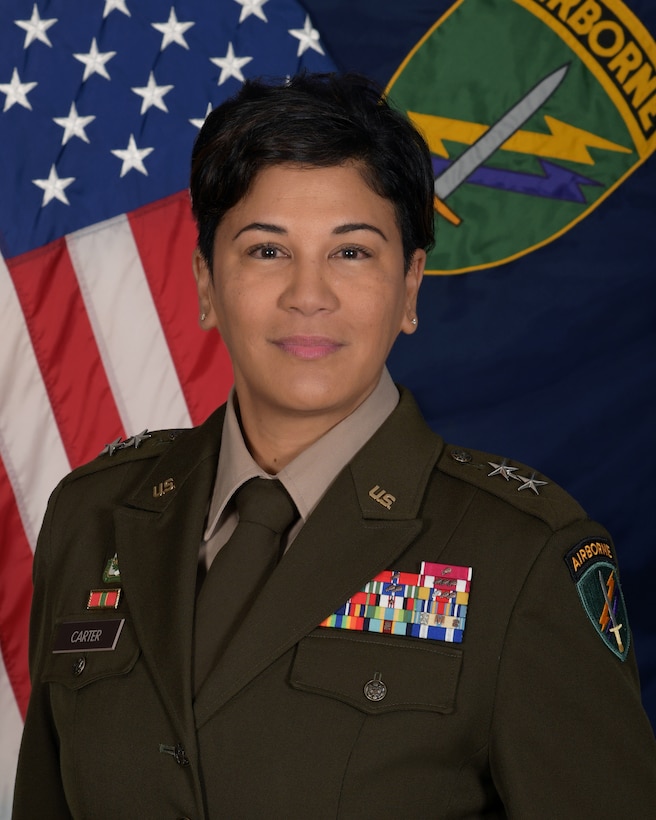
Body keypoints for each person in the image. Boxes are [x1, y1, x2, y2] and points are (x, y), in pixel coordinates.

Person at [13, 72, 656, 819]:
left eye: (351, 253)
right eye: (265, 251)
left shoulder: (522, 555)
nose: (307, 294)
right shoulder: (91, 517)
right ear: (204, 284)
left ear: (411, 286)